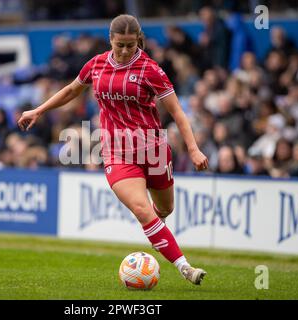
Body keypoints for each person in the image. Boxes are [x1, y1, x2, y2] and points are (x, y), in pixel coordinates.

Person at [18, 14, 209, 285]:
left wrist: (193, 149)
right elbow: (72, 90)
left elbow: (177, 112)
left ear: (138, 41)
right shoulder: (96, 65)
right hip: (117, 152)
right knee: (143, 211)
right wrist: (38, 110)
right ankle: (185, 267)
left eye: (130, 45)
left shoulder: (150, 69)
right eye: (120, 44)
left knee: (164, 210)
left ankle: (157, 233)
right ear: (111, 40)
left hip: (154, 151)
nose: (124, 51)